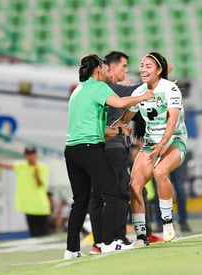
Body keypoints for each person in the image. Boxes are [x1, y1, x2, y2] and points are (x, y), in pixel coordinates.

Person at [64, 54, 154, 259]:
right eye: (105, 68)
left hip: (71, 151)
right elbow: (120, 103)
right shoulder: (99, 87)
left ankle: (71, 249)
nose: (108, 72)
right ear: (97, 69)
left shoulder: (78, 91)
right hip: (90, 149)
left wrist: (120, 132)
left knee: (80, 201)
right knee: (113, 193)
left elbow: (97, 129)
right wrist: (143, 97)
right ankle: (109, 242)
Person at [112, 52, 188, 245]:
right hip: (151, 142)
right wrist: (108, 131)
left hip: (175, 140)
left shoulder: (170, 89)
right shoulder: (139, 93)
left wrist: (162, 145)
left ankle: (168, 222)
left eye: (148, 66)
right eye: (142, 65)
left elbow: (172, 122)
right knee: (134, 185)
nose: (143, 69)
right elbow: (124, 120)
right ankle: (140, 236)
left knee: (160, 171)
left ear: (159, 70)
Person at [0, 147, 51, 237]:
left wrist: (36, 173)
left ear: (36, 155)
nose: (30, 157)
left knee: (44, 234)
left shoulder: (42, 167)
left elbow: (40, 184)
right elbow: (4, 165)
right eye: (28, 155)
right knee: (34, 234)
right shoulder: (21, 166)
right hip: (28, 207)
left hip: (41, 207)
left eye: (32, 154)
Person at [154, 164, 192, 233]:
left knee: (180, 189)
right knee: (159, 190)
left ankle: (183, 221)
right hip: (158, 160)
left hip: (174, 158)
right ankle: (161, 222)